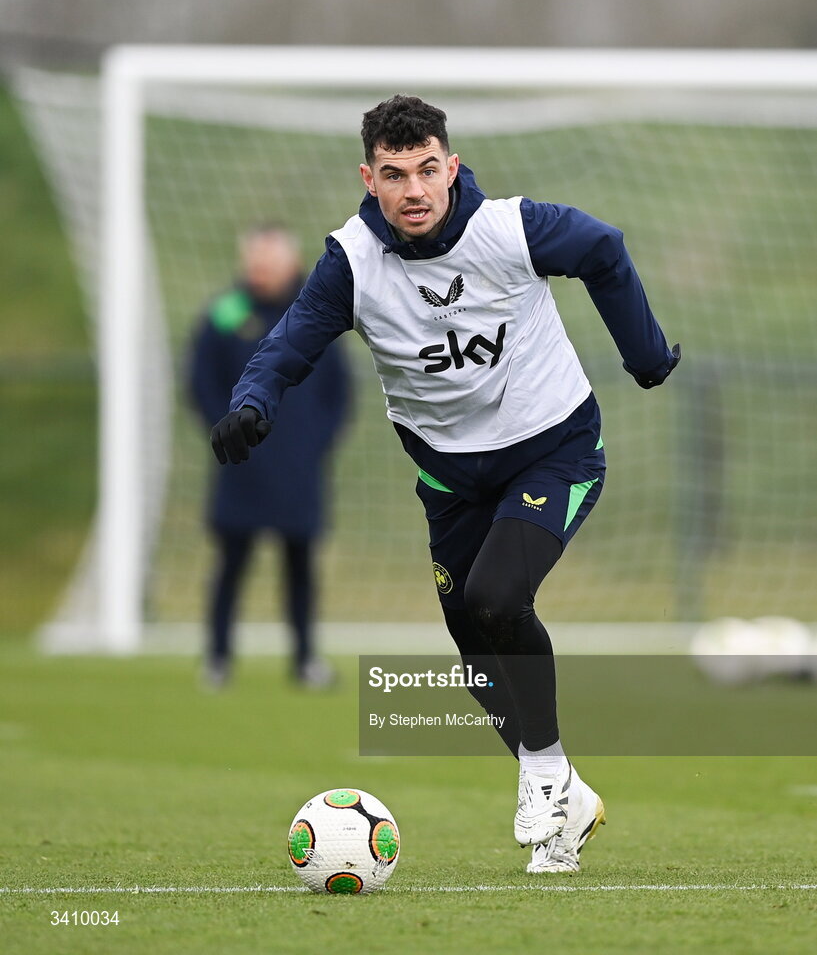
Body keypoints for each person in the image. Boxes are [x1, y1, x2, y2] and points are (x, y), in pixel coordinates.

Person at [209, 96, 680, 872]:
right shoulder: (351, 262)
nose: (414, 189)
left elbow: (604, 248)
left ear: (451, 166)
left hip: (552, 450)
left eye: (428, 168)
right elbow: (287, 343)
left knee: (497, 598)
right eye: (394, 175)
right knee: (472, 649)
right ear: (370, 178)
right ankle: (567, 799)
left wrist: (645, 354)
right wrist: (252, 402)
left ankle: (540, 774)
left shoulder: (511, 228)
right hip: (450, 480)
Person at [189, 224, 351, 688]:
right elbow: (201, 383)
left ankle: (304, 660)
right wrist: (225, 433)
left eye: (271, 258)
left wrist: (312, 444)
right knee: (231, 562)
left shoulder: (315, 311)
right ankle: (217, 659)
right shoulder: (226, 313)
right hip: (240, 466)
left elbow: (338, 396)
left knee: (300, 563)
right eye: (255, 258)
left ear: (291, 260)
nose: (262, 267)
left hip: (299, 467)